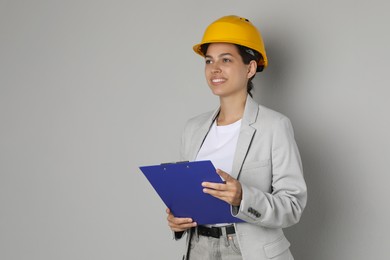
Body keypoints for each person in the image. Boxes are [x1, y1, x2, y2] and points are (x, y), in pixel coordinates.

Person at [166, 15, 307, 260]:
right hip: (198, 248)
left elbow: (292, 207)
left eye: (226, 59)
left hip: (249, 252)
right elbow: (187, 197)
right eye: (209, 61)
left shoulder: (275, 126)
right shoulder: (193, 129)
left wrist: (243, 196)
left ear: (250, 68)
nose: (215, 69)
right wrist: (177, 219)